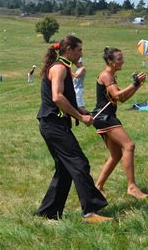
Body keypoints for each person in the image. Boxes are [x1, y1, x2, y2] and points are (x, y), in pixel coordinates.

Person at [36, 36, 109, 223]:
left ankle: (48, 212)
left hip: (51, 124)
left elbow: (64, 98)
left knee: (65, 169)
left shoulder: (64, 67)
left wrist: (79, 109)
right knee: (79, 163)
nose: (81, 53)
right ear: (68, 49)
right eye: (79, 50)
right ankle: (90, 212)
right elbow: (57, 98)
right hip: (53, 125)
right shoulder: (60, 68)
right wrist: (80, 117)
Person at [94, 47, 148, 199]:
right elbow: (116, 95)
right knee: (129, 145)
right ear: (110, 62)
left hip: (105, 117)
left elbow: (122, 99)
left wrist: (137, 85)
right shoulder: (106, 75)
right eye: (119, 59)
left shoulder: (111, 76)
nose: (122, 61)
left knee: (116, 154)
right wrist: (134, 83)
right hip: (105, 117)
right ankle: (131, 186)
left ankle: (97, 186)